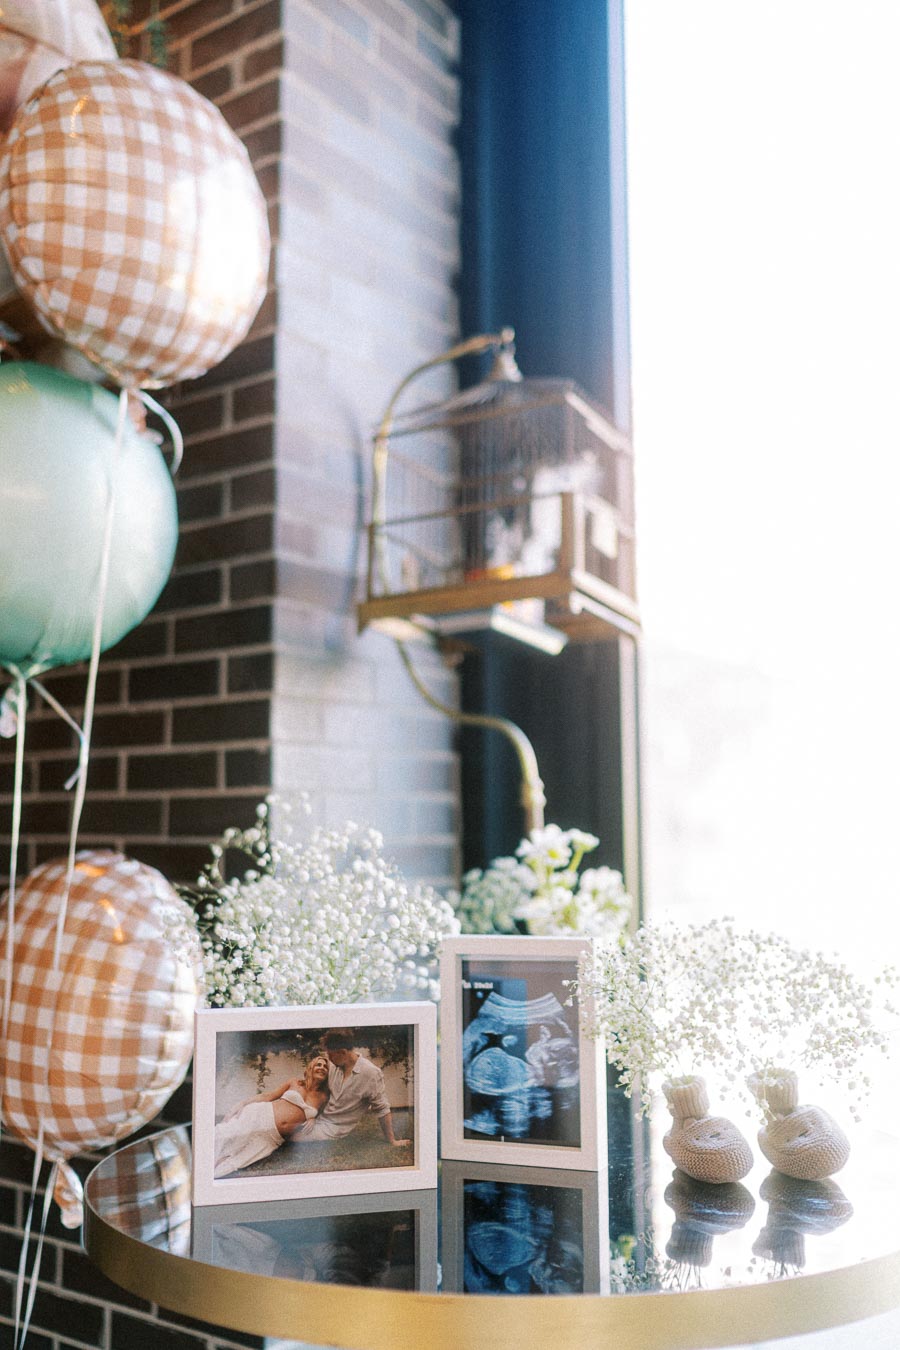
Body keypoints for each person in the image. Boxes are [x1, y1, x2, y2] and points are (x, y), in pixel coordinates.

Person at [213, 1054, 330, 1178]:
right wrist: (243, 1103)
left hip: (273, 1138)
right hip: (260, 1116)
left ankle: (206, 1178)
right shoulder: (294, 1082)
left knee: (238, 1160)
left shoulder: (323, 1097)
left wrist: (313, 1118)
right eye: (319, 1064)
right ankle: (200, 1156)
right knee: (226, 1136)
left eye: (325, 1067)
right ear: (311, 1068)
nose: (322, 1067)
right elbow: (269, 1096)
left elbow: (322, 1116)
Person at [296, 1028, 410, 1148]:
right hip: (317, 1119)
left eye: (331, 1055)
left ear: (343, 1052)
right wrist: (312, 1116)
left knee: (291, 1137)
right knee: (286, 1124)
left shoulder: (370, 1073)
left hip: (334, 1128)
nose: (329, 1059)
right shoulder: (334, 1066)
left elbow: (382, 1109)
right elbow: (319, 1092)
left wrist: (393, 1141)